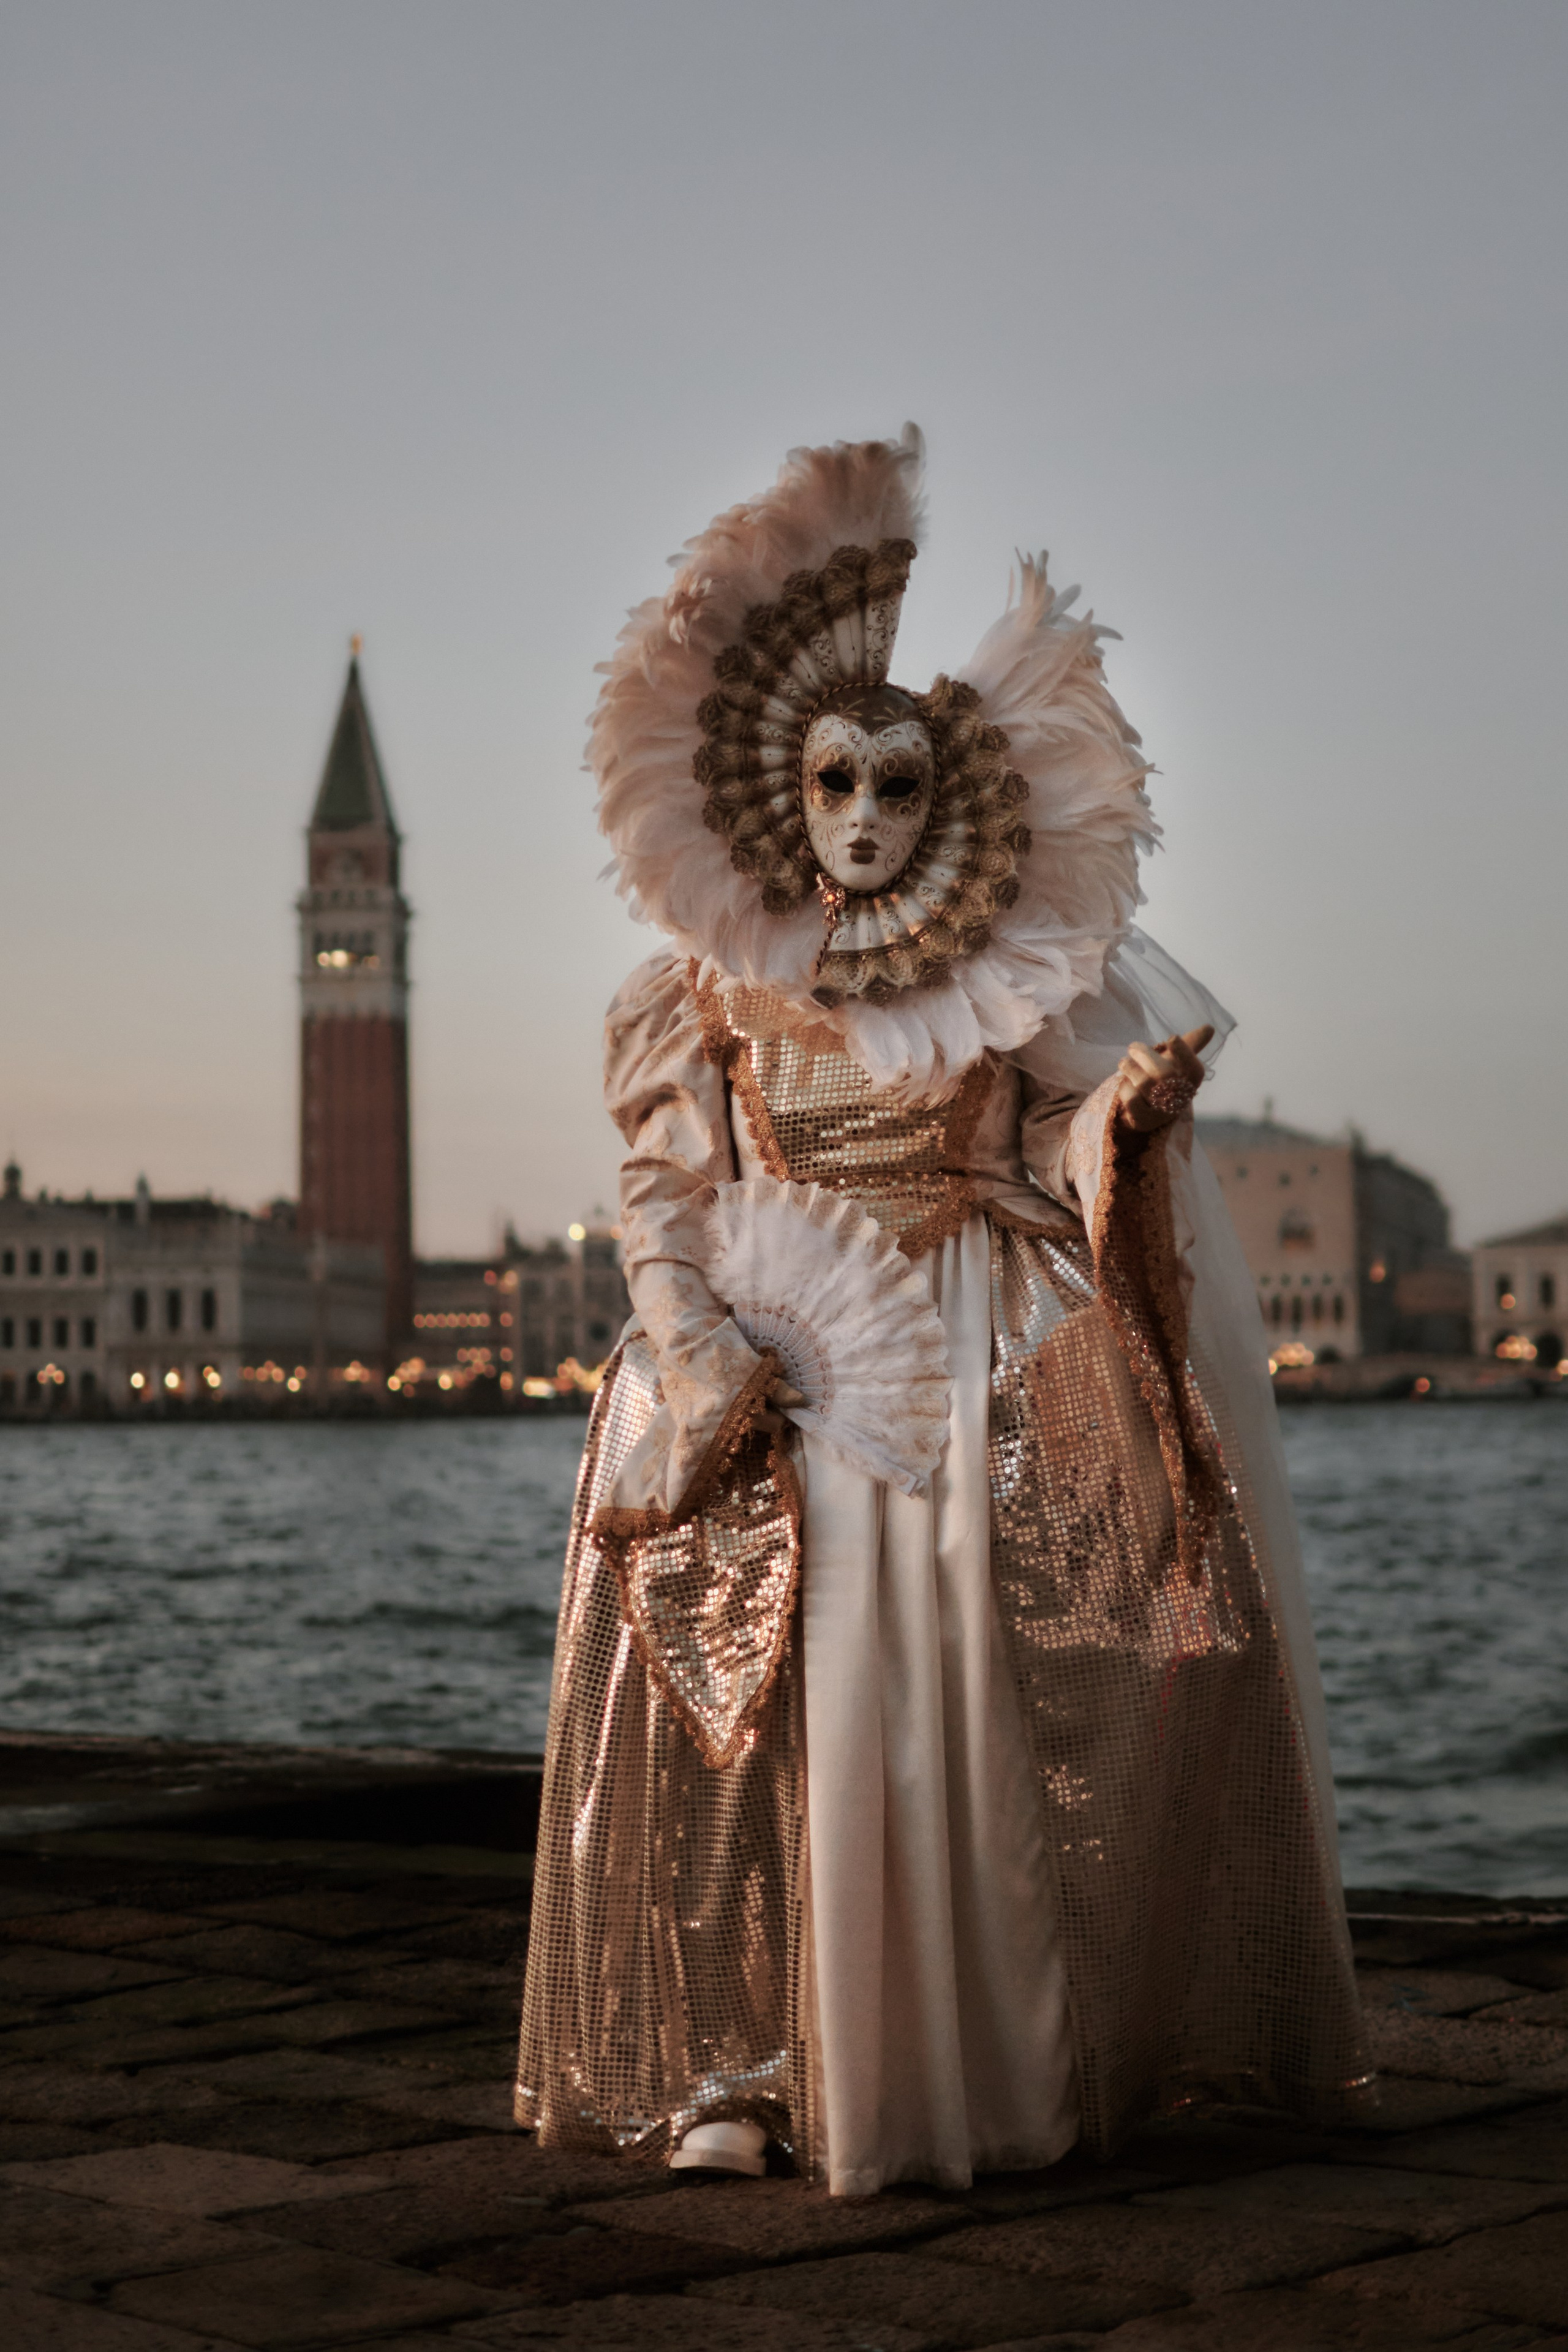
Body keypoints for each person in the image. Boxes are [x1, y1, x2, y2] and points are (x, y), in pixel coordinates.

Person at [515, 428, 1367, 2197]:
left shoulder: (1018, 974)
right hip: (776, 1345)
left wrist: (1118, 1119)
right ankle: (738, 2058)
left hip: (976, 1331)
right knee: (743, 1680)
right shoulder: (703, 990)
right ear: (780, 792)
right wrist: (693, 1356)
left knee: (1017, 1649)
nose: (866, 824)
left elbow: (1052, 1140)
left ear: (947, 799)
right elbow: (667, 1193)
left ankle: (1012, 2044)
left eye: (897, 791)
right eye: (836, 788)